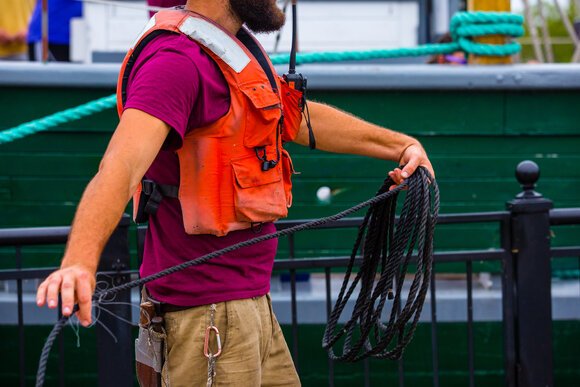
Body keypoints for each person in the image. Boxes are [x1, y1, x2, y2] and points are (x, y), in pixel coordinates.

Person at [36, 0, 435, 385]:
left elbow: (290, 119)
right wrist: (79, 262)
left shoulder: (233, 48)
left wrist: (400, 145)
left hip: (249, 307)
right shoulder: (175, 62)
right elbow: (119, 168)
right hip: (208, 321)